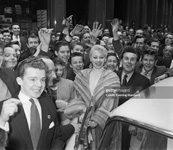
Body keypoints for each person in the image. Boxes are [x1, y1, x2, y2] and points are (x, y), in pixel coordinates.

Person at [0, 56, 74, 150]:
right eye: (33, 79)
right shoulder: (3, 109)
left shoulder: (48, 104)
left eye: (42, 79)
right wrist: (1, 122)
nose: (39, 85)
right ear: (20, 81)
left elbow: (55, 136)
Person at [65, 45, 120, 150]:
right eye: (95, 57)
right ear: (90, 58)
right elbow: (78, 98)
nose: (98, 60)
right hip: (82, 122)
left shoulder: (112, 77)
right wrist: (82, 114)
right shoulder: (82, 75)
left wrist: (96, 120)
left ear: (105, 59)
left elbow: (109, 103)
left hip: (102, 124)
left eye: (101, 57)